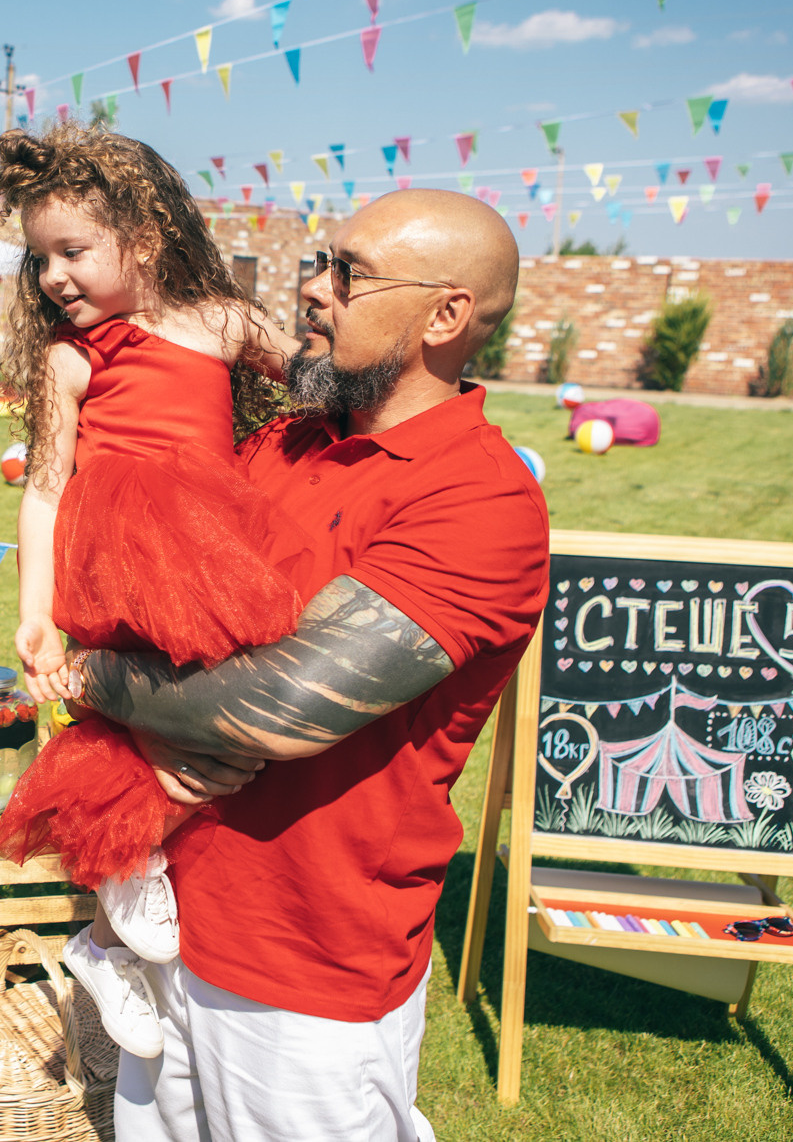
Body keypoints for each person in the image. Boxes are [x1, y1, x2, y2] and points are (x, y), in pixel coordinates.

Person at [33, 186, 549, 1142]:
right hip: (171, 927)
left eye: (348, 274)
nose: (314, 290)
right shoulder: (285, 440)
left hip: (304, 975)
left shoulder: (478, 500)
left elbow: (277, 706)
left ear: (446, 315)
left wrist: (93, 681)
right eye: (320, 262)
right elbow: (147, 591)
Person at [0, 123, 307, 1059]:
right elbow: (45, 486)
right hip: (125, 549)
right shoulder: (71, 358)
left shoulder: (221, 319)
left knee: (227, 717)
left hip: (216, 545)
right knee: (137, 709)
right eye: (40, 258)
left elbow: (314, 380)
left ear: (146, 238)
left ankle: (103, 938)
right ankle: (118, 899)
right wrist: (35, 610)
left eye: (72, 252)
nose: (52, 277)